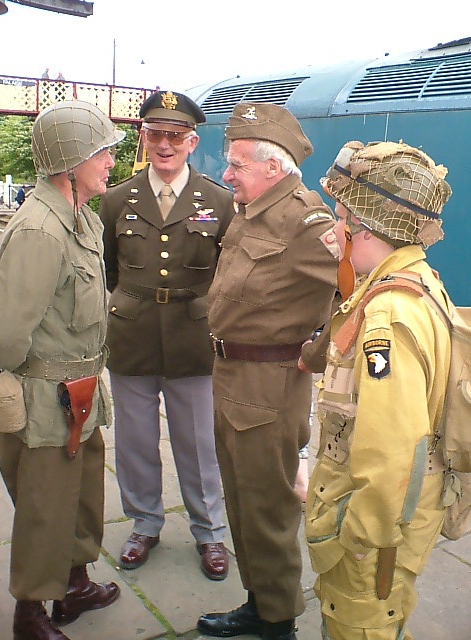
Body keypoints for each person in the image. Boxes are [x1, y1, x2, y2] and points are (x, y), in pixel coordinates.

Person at [197, 102, 339, 640]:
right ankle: (259, 604)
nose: (226, 173)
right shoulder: (253, 211)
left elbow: (359, 298)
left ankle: (277, 621)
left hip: (269, 387)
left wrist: (315, 355)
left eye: (236, 165)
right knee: (242, 500)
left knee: (268, 509)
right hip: (233, 378)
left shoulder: (307, 221)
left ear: (273, 169)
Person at [303, 140, 453, 640]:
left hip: (372, 531)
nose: (336, 227)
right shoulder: (416, 278)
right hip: (385, 518)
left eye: (342, 216)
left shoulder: (388, 313)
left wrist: (360, 540)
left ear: (365, 230)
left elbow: (392, 449)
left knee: (359, 625)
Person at [0, 99, 125, 640]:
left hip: (82, 392)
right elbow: (4, 334)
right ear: (72, 162)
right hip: (47, 399)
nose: (112, 161)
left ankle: (74, 585)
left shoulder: (81, 219)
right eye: (103, 152)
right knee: (45, 508)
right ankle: (31, 614)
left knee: (83, 498)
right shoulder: (40, 230)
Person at [99, 90, 236, 580]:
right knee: (134, 441)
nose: (164, 145)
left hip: (193, 337)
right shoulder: (117, 199)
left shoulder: (219, 202)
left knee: (199, 444)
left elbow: (228, 274)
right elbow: (109, 270)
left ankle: (210, 532)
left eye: (175, 136)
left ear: (192, 142)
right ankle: (145, 523)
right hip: (133, 335)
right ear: (143, 137)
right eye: (156, 134)